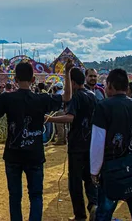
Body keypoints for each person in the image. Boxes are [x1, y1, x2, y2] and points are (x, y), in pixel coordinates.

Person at [0, 62, 62, 221]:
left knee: (14, 197)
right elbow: (66, 98)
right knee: (36, 196)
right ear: (33, 79)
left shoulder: (6, 98)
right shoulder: (41, 98)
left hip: (13, 155)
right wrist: (67, 71)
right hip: (35, 155)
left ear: (16, 79)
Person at [90, 68, 132, 221]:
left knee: (104, 212)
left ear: (109, 85)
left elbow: (98, 142)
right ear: (126, 87)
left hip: (112, 169)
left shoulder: (103, 107)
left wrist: (94, 171)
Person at [49, 63, 97, 221]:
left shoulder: (76, 97)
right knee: (90, 178)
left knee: (75, 181)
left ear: (74, 83)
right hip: (90, 142)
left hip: (77, 143)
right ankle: (93, 205)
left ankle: (80, 215)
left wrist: (50, 118)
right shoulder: (92, 95)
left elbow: (70, 117)